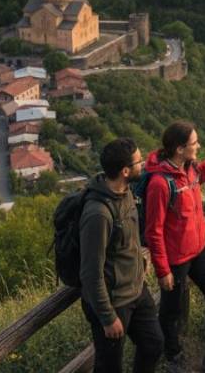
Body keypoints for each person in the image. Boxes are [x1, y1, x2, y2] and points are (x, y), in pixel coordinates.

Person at [144, 121, 205, 373]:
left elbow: (203, 174)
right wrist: (162, 270)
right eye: (194, 143)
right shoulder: (160, 184)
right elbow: (154, 231)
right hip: (175, 259)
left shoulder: (189, 168)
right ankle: (174, 358)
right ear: (179, 149)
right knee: (171, 312)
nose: (198, 146)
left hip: (198, 250)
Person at [79, 138, 164, 373]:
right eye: (139, 161)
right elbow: (90, 273)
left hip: (136, 291)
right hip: (114, 301)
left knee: (153, 344)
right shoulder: (98, 214)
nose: (143, 164)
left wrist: (140, 260)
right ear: (125, 171)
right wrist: (107, 317)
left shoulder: (125, 192)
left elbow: (128, 238)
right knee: (109, 366)